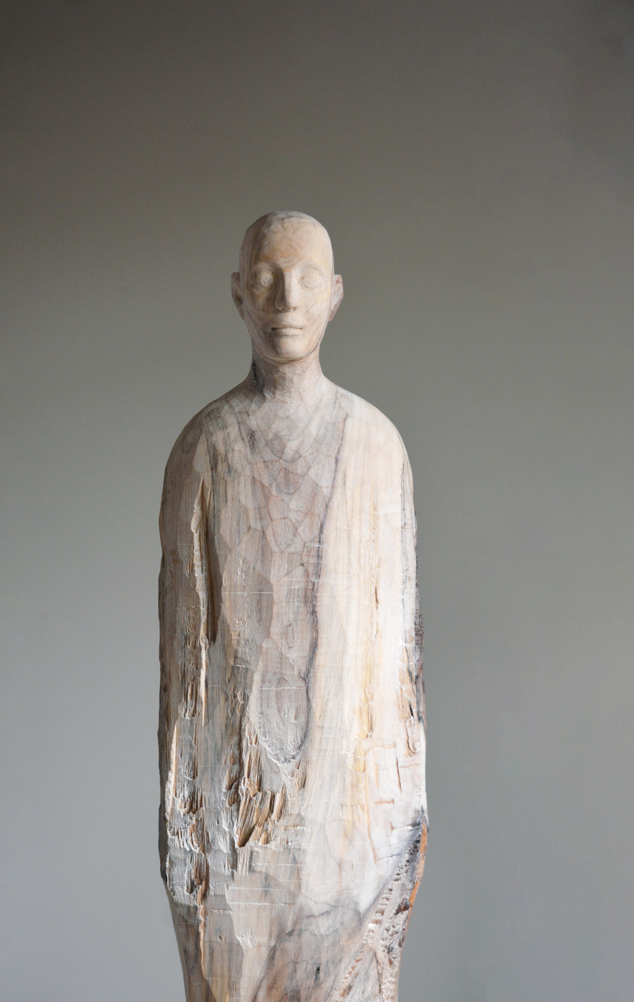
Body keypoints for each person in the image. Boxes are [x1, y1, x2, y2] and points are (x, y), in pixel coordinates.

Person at [159, 211, 426, 1002]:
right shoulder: (205, 447)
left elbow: (401, 664)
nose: (287, 299)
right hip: (229, 828)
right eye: (267, 278)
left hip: (354, 822)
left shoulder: (373, 446)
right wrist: (184, 830)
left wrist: (403, 825)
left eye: (308, 279)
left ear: (336, 295)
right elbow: (183, 662)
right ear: (237, 293)